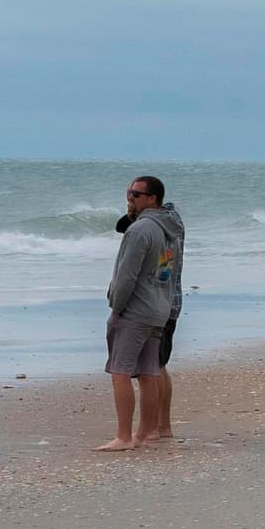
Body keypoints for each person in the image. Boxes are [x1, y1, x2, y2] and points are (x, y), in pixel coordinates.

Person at [99, 173, 185, 451]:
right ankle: (146, 433)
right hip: (160, 308)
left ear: (152, 198)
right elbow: (166, 272)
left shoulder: (141, 230)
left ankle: (124, 436)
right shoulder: (170, 228)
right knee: (150, 371)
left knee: (120, 371)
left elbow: (127, 276)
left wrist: (117, 306)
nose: (129, 198)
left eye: (135, 194)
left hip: (136, 309)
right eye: (128, 193)